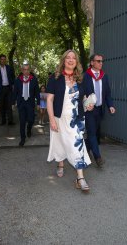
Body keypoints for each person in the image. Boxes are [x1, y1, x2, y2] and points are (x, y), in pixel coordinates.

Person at [46, 49, 92, 192]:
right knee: (59, 141)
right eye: (68, 58)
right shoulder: (55, 77)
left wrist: (88, 104)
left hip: (76, 119)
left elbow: (84, 97)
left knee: (77, 145)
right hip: (59, 117)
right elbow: (49, 99)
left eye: (73, 58)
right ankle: (60, 164)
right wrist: (52, 119)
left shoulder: (81, 78)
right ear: (63, 61)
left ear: (76, 62)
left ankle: (80, 178)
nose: (71, 60)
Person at [82, 53, 116, 168]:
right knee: (92, 133)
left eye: (102, 61)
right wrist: (85, 103)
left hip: (100, 109)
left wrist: (110, 105)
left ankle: (85, 152)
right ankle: (98, 157)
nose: (101, 63)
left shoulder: (104, 76)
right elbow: (80, 94)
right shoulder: (85, 76)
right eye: (98, 61)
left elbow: (107, 94)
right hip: (89, 110)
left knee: (94, 133)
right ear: (92, 62)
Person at [13, 63, 40, 146]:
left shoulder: (33, 80)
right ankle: (22, 138)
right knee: (22, 121)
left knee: (31, 120)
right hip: (21, 103)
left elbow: (37, 92)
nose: (26, 71)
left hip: (30, 102)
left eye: (27, 69)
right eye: (24, 69)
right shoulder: (18, 80)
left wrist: (39, 103)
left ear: (30, 70)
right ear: (22, 70)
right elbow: (15, 92)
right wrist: (13, 103)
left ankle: (29, 129)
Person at [0, 54, 15, 125]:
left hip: (8, 88)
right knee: (2, 105)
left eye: (4, 59)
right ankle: (3, 120)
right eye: (2, 59)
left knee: (9, 105)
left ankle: (10, 120)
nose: (3, 60)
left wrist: (13, 85)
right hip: (0, 89)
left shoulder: (9, 68)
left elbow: (13, 77)